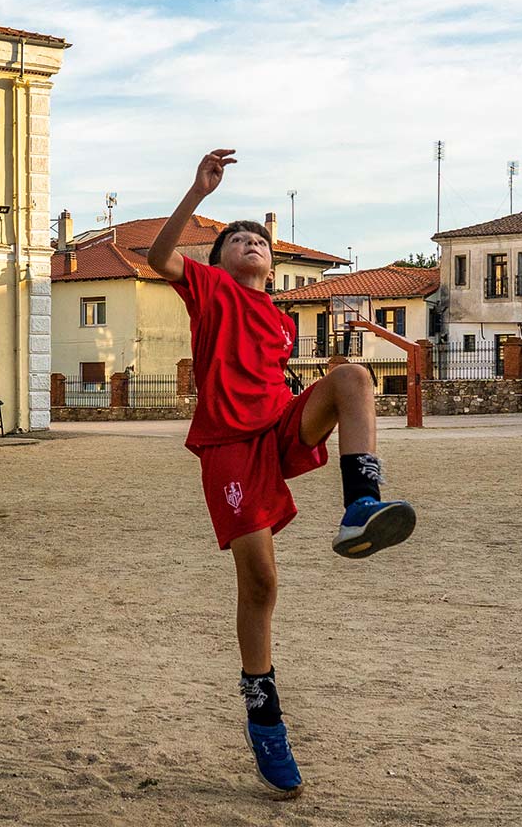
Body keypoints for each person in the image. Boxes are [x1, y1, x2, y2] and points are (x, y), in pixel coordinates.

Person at [144, 149, 416, 797]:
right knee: (261, 581)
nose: (250, 243)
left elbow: (279, 377)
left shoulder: (279, 318)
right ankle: (262, 706)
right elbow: (158, 258)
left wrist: (307, 410)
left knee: (351, 375)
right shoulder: (208, 291)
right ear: (219, 261)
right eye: (238, 239)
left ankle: (361, 506)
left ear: (272, 263)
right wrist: (196, 192)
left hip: (277, 431)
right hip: (230, 447)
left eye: (258, 240)